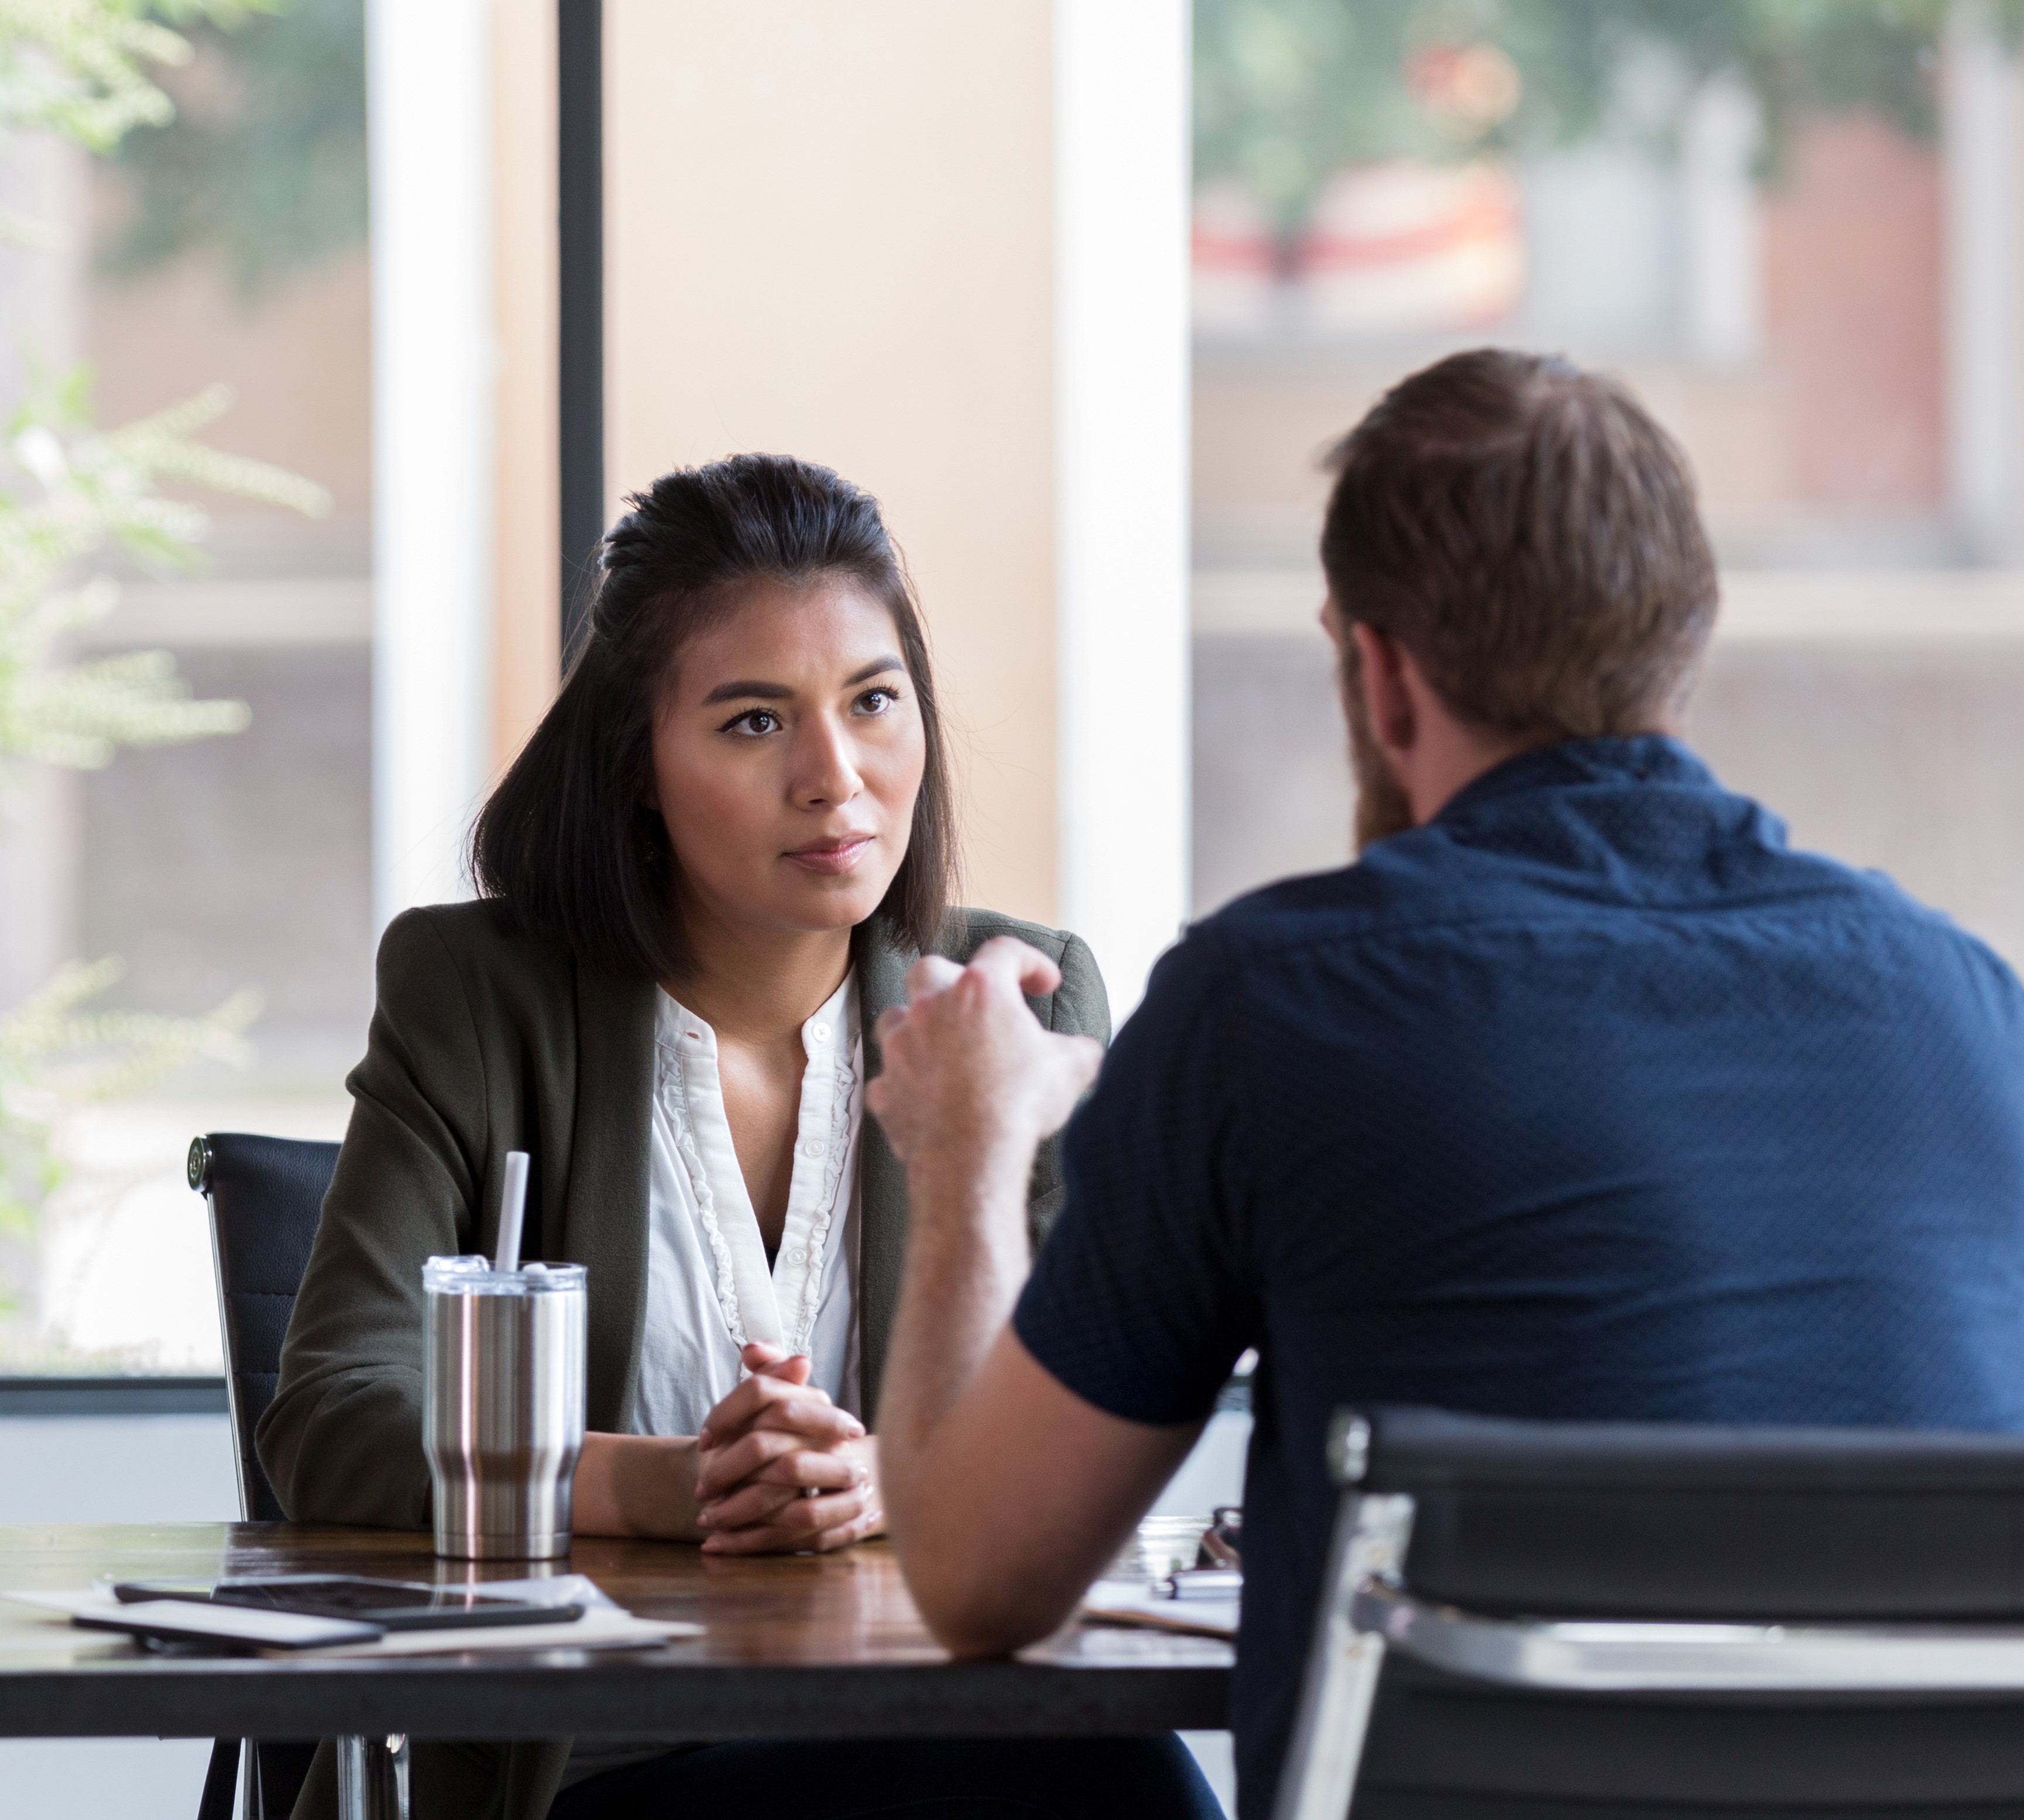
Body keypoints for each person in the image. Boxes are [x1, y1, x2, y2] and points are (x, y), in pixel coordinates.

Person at [863, 351, 2024, 1820]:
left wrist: (969, 1150)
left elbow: (976, 1582)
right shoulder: (1972, 1012)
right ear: (1682, 640)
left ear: (1380, 670)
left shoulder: (1267, 1005)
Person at [258, 455, 1217, 1820]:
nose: (838, 780)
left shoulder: (1016, 997)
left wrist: (890, 1480)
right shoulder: (477, 994)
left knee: (1116, 1777)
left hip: (934, 1723)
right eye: (756, 722)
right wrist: (669, 1487)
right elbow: (334, 1417)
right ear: (639, 764)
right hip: (583, 1765)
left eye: (874, 702)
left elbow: (1083, 1423)